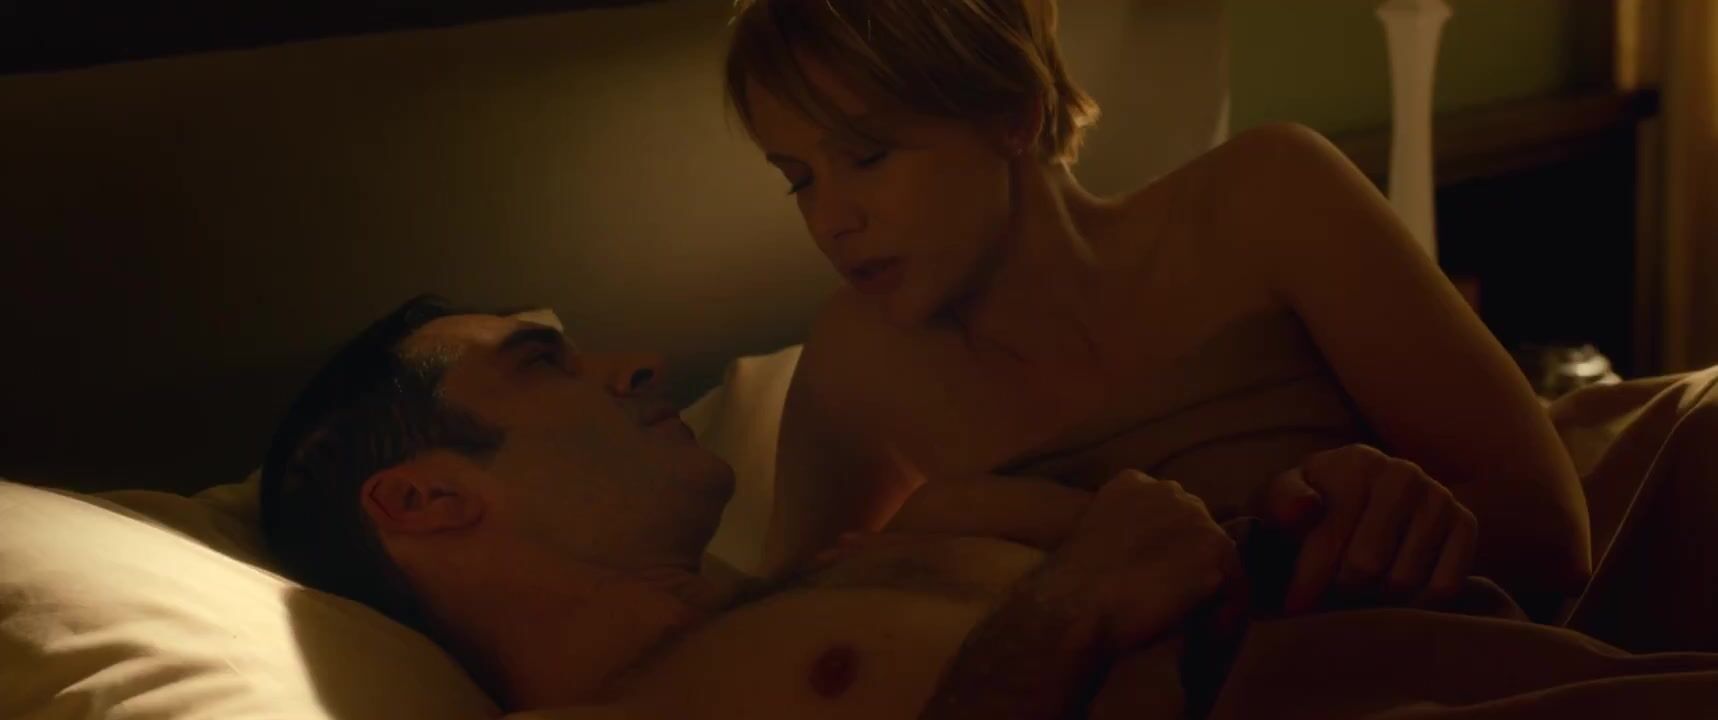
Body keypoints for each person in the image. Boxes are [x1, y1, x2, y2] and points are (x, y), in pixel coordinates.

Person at [722, 0, 1592, 610]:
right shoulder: (858, 362)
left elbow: (1554, 535)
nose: (830, 221)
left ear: (1011, 114)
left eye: (867, 157)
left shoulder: (1266, 199)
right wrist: (944, 529)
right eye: (797, 179)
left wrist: (1390, 533)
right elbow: (786, 650)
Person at [258, 296, 1257, 717]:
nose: (637, 364)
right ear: (425, 499)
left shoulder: (923, 533)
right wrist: (1074, 613)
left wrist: (1318, 512)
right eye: (543, 364)